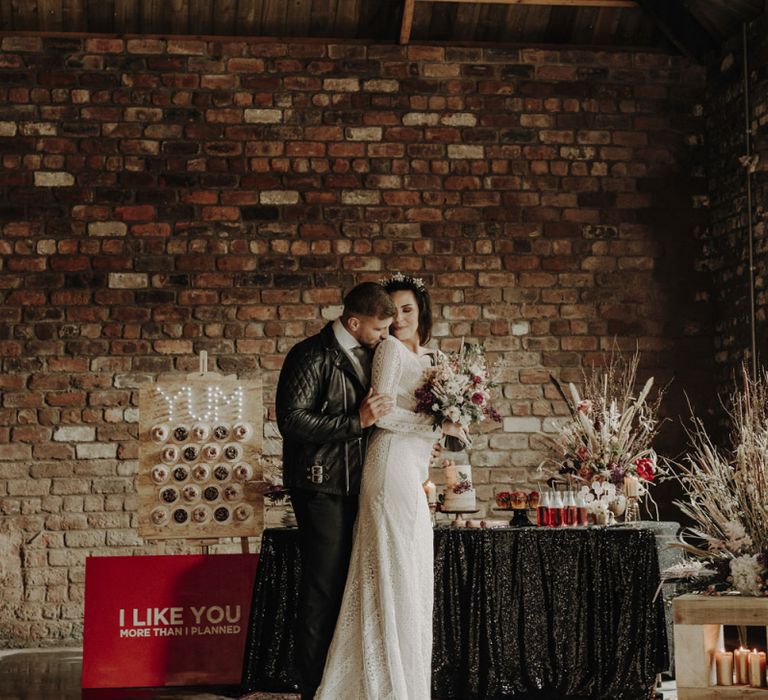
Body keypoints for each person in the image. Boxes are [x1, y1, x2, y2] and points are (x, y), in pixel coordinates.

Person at [315, 274, 465, 700]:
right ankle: (384, 684)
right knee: (392, 564)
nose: (399, 318)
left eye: (407, 310)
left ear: (421, 313)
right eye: (393, 310)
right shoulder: (389, 350)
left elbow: (436, 421)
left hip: (414, 467)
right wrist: (434, 422)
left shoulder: (435, 357)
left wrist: (448, 429)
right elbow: (378, 415)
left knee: (412, 568)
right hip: (389, 465)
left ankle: (409, 678)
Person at [276, 282, 398, 700]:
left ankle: (341, 683)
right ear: (353, 321)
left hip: (358, 488)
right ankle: (311, 686)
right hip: (319, 487)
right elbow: (291, 421)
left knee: (349, 587)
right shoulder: (309, 355)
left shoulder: (373, 355)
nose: (386, 336)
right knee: (323, 587)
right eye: (380, 329)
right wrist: (355, 422)